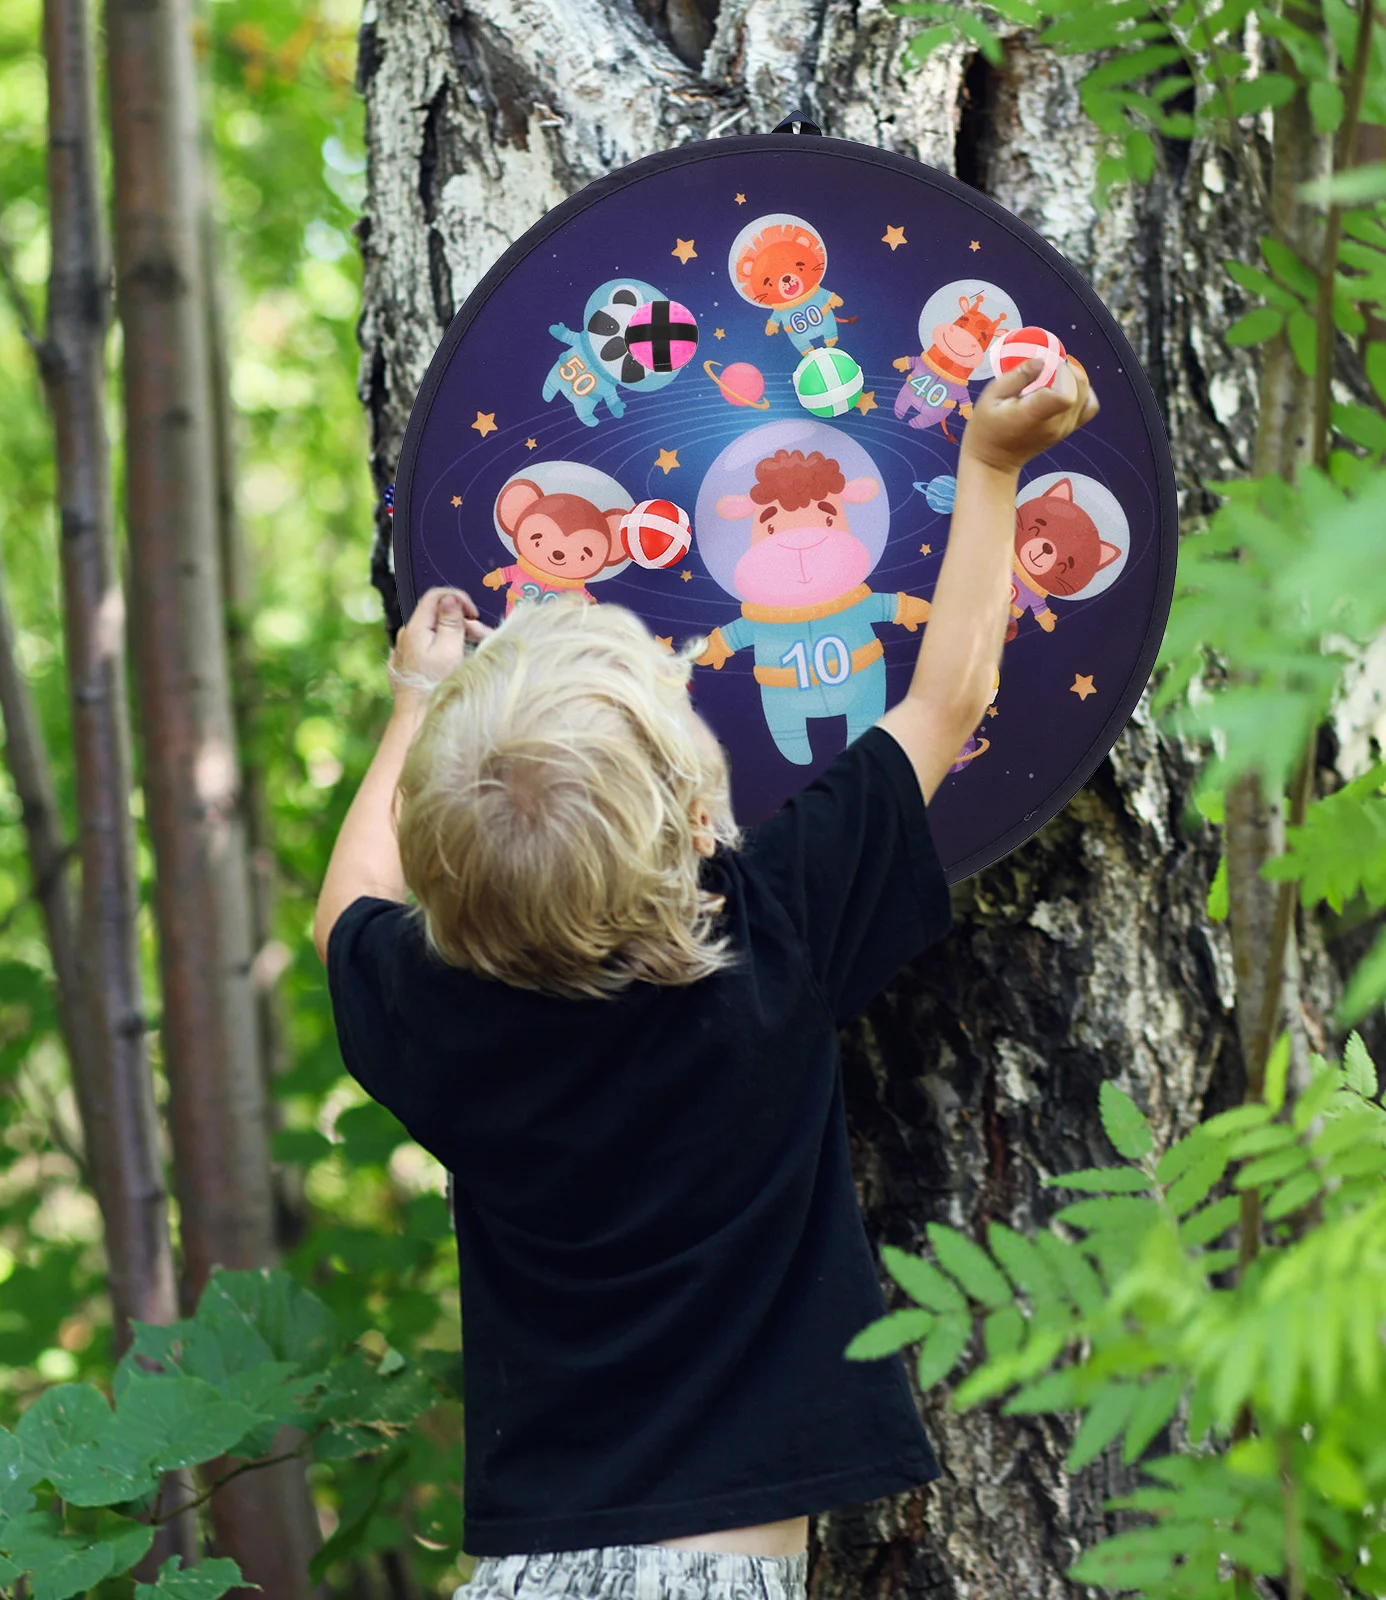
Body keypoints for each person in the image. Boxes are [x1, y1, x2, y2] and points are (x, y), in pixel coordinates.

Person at [315, 355, 1098, 1600]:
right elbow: (952, 694)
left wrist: (414, 698)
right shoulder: (766, 930)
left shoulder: (436, 1009)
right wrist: (991, 464)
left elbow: (345, 909)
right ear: (691, 818)